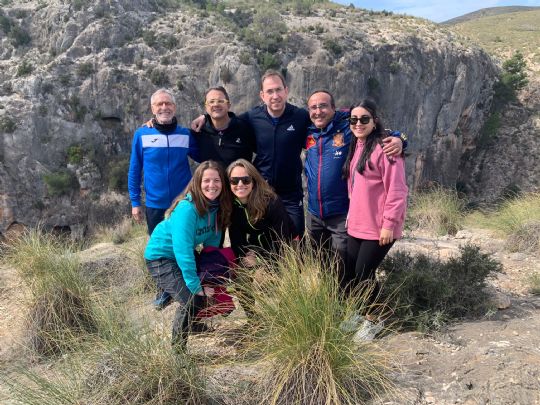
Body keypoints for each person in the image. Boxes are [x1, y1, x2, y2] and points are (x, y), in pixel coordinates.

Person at [193, 73, 405, 238]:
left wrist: (398, 138)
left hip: (290, 194)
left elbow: (352, 116)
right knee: (258, 237)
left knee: (293, 237)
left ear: (286, 91)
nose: (274, 95)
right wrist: (205, 116)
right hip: (259, 190)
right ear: (262, 95)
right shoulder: (251, 117)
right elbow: (227, 121)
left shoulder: (302, 116)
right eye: (269, 91)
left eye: (278, 90)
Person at [304, 90, 406, 273]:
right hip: (316, 215)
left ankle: (365, 302)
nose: (318, 111)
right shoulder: (308, 130)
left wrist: (399, 139)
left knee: (346, 272)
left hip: (341, 217)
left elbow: (397, 188)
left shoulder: (351, 130)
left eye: (323, 106)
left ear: (334, 109)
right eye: (313, 107)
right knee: (324, 267)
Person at [144, 161, 232, 351]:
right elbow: (182, 251)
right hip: (161, 257)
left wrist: (211, 277)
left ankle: (192, 323)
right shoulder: (187, 210)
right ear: (197, 183)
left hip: (184, 254)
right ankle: (178, 351)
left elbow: (211, 246)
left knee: (202, 292)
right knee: (192, 298)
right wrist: (195, 285)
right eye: (206, 180)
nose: (212, 185)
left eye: (217, 180)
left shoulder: (216, 208)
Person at [342, 99, 408, 340]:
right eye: (354, 120)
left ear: (375, 121)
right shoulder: (357, 145)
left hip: (379, 227)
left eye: (364, 119)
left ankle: (376, 319)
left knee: (364, 273)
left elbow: (397, 189)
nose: (358, 123)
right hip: (357, 224)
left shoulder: (387, 148)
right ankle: (360, 314)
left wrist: (389, 224)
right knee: (352, 273)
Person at [129, 88, 200, 310]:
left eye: (168, 103)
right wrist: (134, 202)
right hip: (155, 204)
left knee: (185, 244)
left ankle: (188, 286)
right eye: (159, 104)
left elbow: (204, 155)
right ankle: (164, 290)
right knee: (159, 249)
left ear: (175, 107)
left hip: (183, 204)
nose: (164, 108)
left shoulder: (185, 134)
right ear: (152, 109)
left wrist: (204, 122)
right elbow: (134, 170)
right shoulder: (142, 135)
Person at [226, 158, 295, 317]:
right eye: (234, 180)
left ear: (254, 180)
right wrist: (245, 256)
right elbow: (237, 240)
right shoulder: (233, 206)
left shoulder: (270, 201)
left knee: (269, 280)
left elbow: (282, 240)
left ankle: (285, 316)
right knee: (240, 277)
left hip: (283, 247)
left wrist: (260, 259)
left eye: (246, 179)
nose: (240, 184)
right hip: (257, 247)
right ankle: (252, 318)